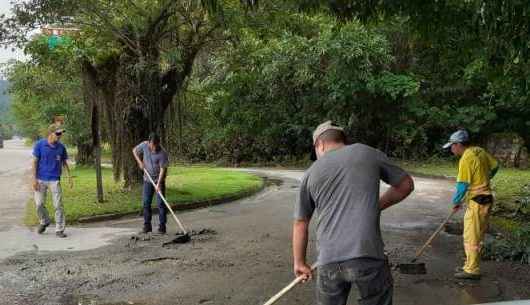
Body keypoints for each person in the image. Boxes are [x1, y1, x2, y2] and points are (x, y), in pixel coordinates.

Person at [293, 121, 415, 305]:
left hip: (329, 260)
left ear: (320, 144)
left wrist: (300, 263)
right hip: (368, 256)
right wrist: (376, 205)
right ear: (342, 140)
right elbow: (406, 185)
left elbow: (300, 223)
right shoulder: (367, 153)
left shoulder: (311, 173)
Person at [442, 129, 499, 280]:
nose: (451, 149)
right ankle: (470, 264)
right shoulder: (479, 151)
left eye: (452, 146)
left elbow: (462, 185)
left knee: (471, 236)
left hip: (478, 202)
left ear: (459, 144)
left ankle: (472, 270)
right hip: (486, 199)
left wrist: (456, 202)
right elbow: (495, 166)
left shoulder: (466, 158)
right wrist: (485, 179)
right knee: (477, 234)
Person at [32, 123, 72, 238]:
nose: (60, 136)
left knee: (58, 205)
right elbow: (34, 162)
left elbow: (64, 162)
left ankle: (59, 229)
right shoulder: (39, 145)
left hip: (55, 179)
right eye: (58, 133)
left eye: (61, 134)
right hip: (40, 179)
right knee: (39, 204)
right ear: (51, 133)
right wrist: (34, 179)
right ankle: (44, 221)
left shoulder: (61, 147)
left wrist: (69, 176)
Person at [132, 133, 169, 234]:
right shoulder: (144, 145)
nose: (154, 147)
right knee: (146, 202)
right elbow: (134, 150)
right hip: (147, 179)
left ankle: (162, 227)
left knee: (161, 204)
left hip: (159, 180)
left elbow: (162, 170)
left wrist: (158, 184)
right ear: (149, 142)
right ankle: (147, 225)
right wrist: (140, 162)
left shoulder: (162, 153)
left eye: (156, 145)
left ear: (158, 143)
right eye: (152, 145)